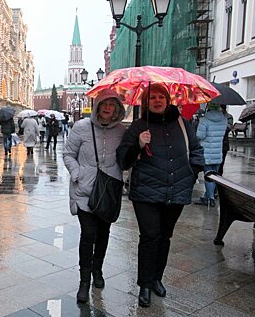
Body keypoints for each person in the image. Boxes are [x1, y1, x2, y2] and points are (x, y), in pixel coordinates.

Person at [116, 84, 204, 308]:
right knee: (150, 236)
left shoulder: (182, 124)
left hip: (177, 189)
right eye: (152, 97)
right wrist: (138, 144)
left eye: (160, 97)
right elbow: (123, 160)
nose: (157, 101)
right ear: (146, 103)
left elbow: (196, 151)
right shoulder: (138, 127)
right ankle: (144, 284)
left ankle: (157, 278)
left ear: (168, 100)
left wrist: (191, 174)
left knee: (165, 237)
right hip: (146, 192)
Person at [63, 91, 126, 303]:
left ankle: (97, 269)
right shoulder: (81, 127)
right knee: (88, 233)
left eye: (112, 105)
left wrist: (140, 144)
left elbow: (126, 158)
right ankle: (84, 281)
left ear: (117, 109)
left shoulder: (121, 131)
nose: (108, 108)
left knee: (103, 233)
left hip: (107, 190)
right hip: (84, 189)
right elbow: (68, 154)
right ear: (98, 106)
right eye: (104, 104)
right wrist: (76, 173)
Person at [194, 103, 227, 207]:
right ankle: (209, 195)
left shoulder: (204, 120)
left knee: (207, 176)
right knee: (214, 176)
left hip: (207, 153)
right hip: (218, 153)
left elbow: (200, 135)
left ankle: (210, 198)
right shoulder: (224, 119)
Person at [218, 105, 233, 176]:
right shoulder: (216, 116)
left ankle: (219, 181)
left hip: (224, 143)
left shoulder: (229, 117)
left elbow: (228, 128)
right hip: (215, 143)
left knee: (221, 164)